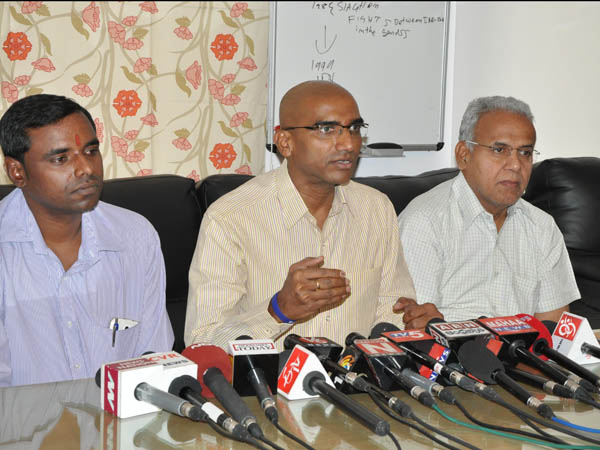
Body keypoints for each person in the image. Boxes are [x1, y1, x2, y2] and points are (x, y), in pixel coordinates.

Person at [184, 80, 416, 349]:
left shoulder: (376, 209)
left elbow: (392, 312)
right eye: (327, 129)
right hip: (273, 376)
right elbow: (202, 344)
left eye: (354, 129)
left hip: (356, 374)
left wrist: (415, 325)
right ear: (285, 142)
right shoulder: (230, 218)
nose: (348, 144)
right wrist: (278, 311)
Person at [0, 94, 173, 386]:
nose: (87, 169)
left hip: (120, 412)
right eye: (61, 158)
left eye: (91, 151)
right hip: (22, 415)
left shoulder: (135, 236)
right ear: (17, 172)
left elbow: (154, 356)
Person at [395, 96, 579, 329]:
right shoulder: (425, 222)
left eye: (525, 153)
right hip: (450, 350)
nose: (515, 165)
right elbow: (416, 324)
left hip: (523, 351)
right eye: (499, 150)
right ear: (464, 154)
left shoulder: (542, 227)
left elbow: (554, 327)